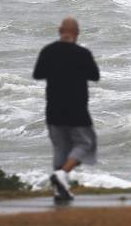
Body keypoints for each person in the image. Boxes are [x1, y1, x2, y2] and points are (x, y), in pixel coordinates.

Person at [33, 17, 100, 202]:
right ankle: (63, 174)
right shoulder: (83, 53)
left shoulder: (48, 51)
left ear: (59, 30)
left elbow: (38, 74)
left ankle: (59, 190)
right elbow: (95, 76)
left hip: (53, 108)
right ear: (77, 33)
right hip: (77, 109)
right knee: (85, 144)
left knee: (60, 149)